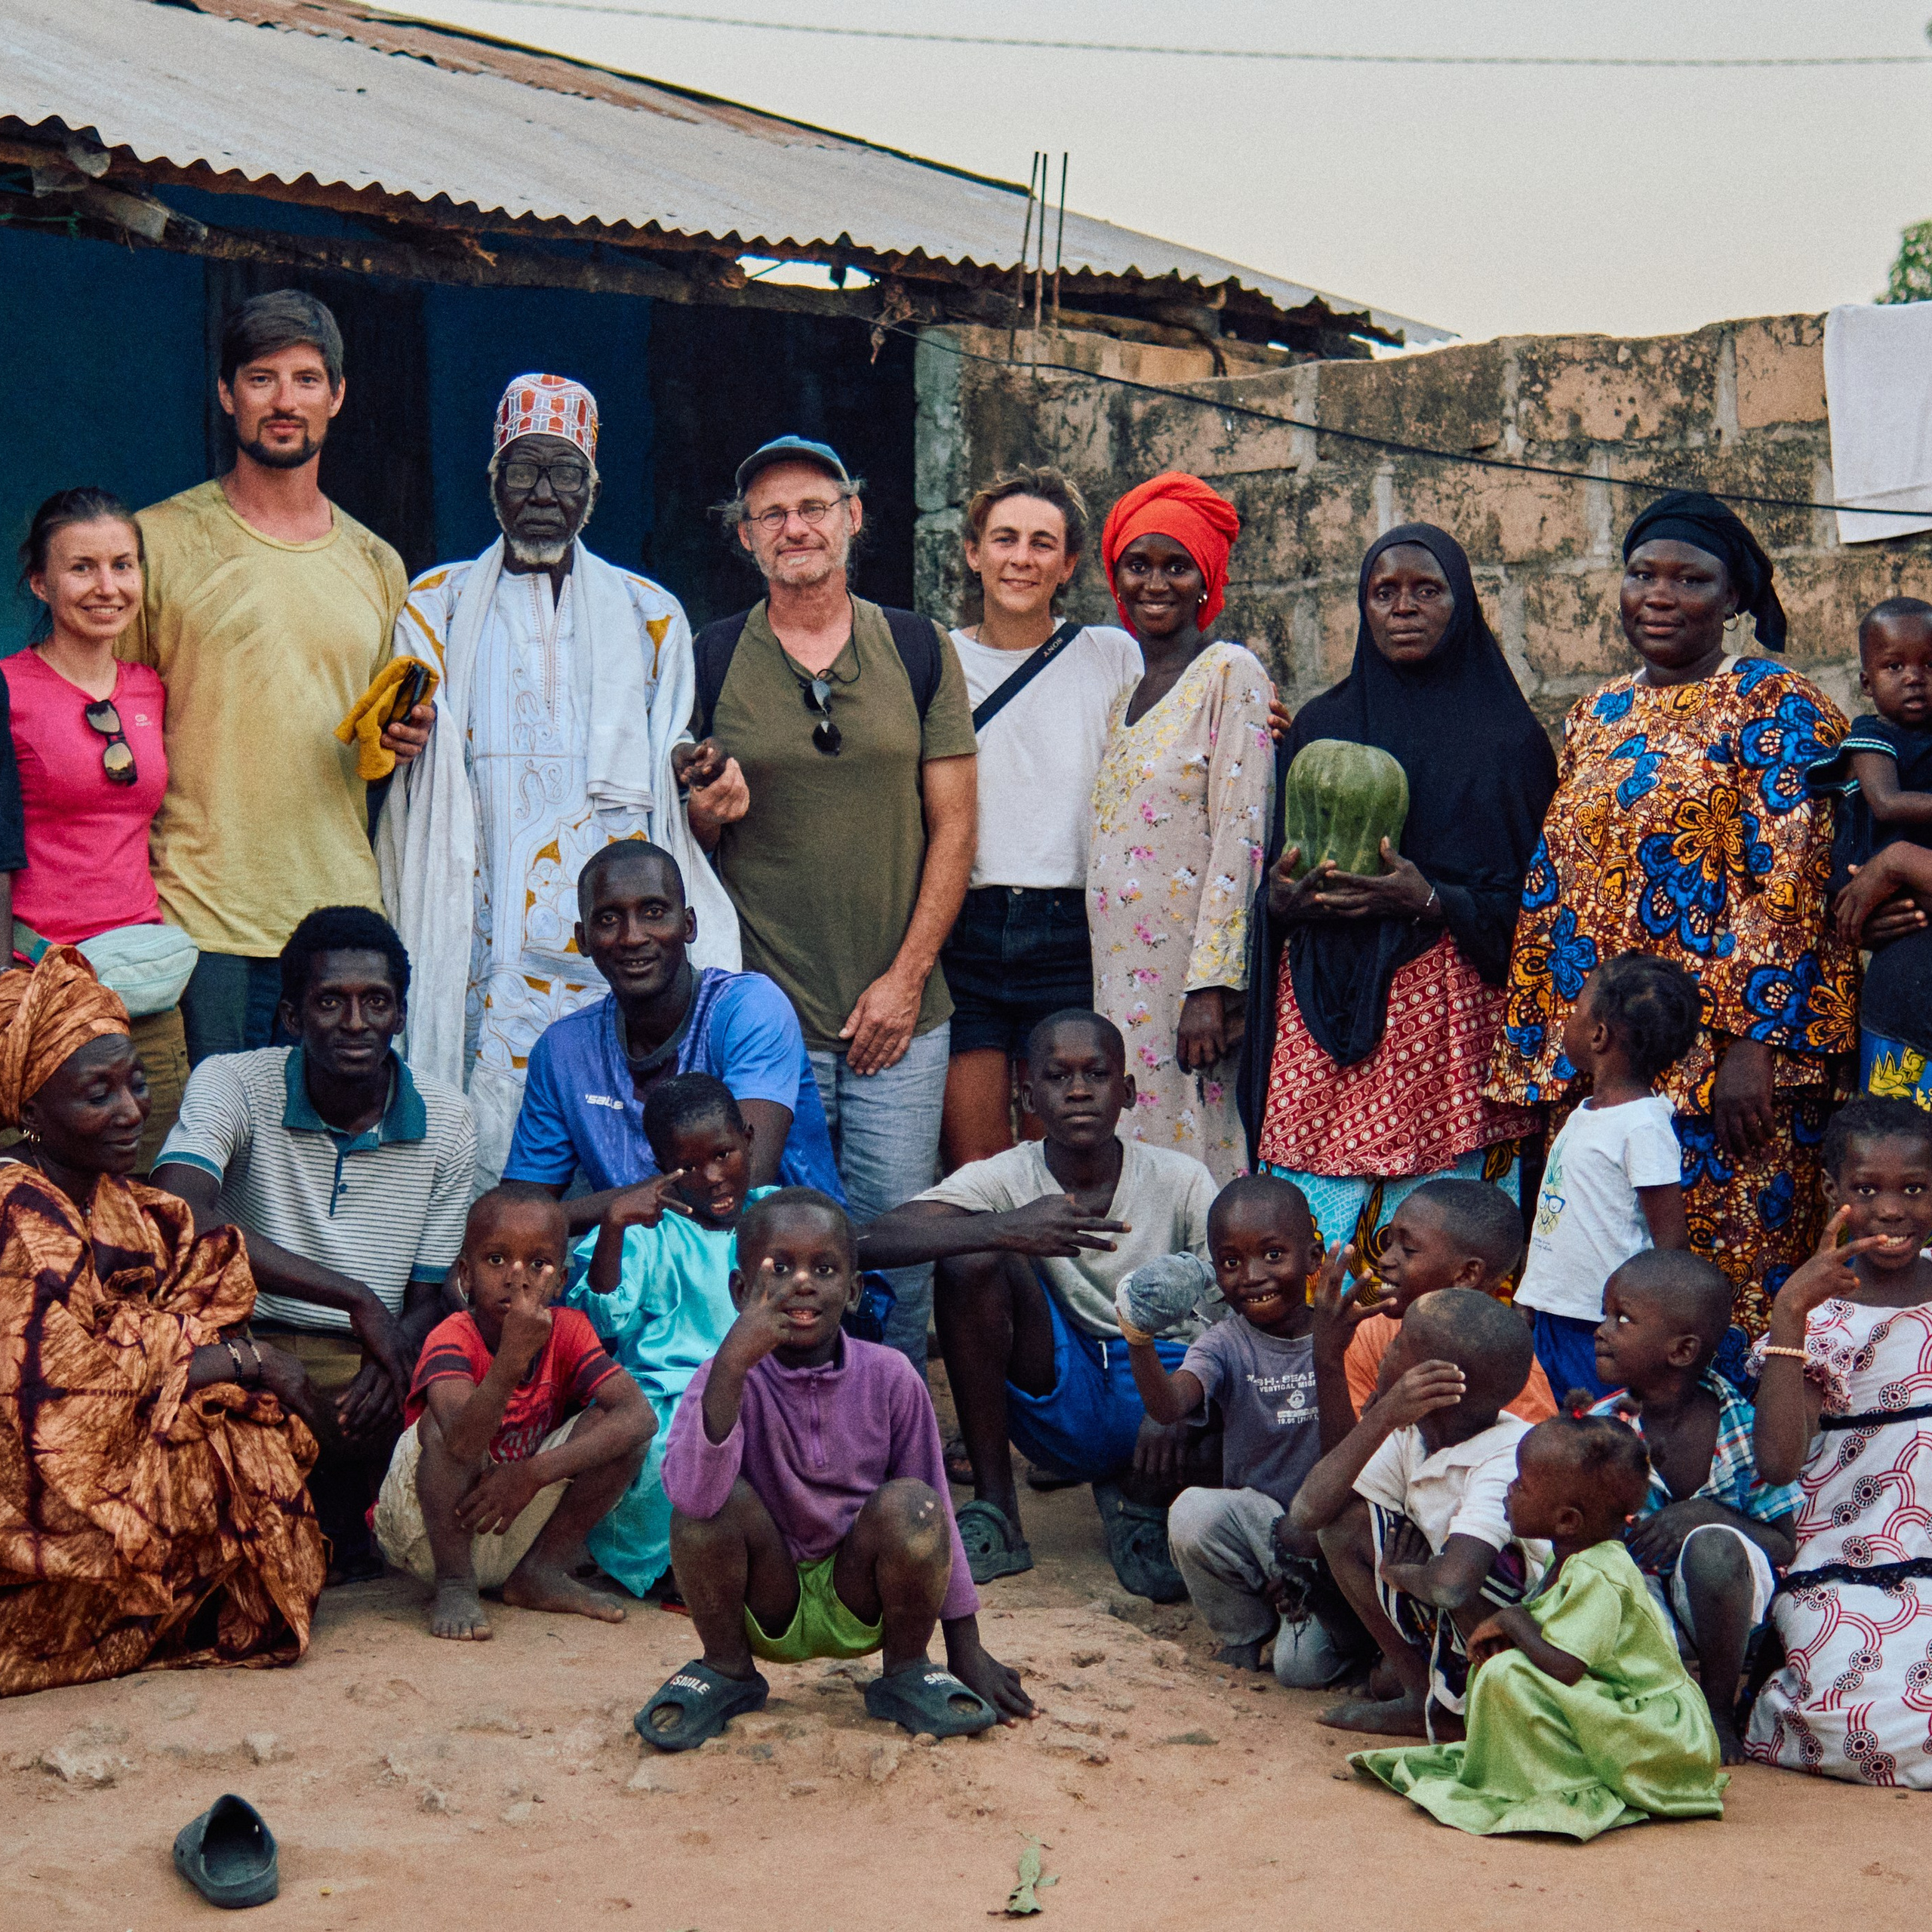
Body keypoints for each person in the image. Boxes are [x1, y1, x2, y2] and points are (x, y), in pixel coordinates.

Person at [1487, 491, 1856, 1338]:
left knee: (1712, 1292)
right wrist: (1555, 1056)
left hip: (1722, 1078)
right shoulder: (1596, 712)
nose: (1659, 594)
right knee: (1607, 1306)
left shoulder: (1777, 705)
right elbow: (1559, 891)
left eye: (1690, 578)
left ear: (1733, 598)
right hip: (1607, 1075)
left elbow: (1791, 884)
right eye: (1642, 573)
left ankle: (1726, 1460)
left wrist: (1750, 1042)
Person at [378, 374, 743, 1188]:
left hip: (608, 916)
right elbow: (409, 740)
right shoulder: (434, 604)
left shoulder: (651, 611)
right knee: (475, 1096)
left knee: (616, 1094)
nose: (543, 491)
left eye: (564, 471)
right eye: (524, 468)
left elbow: (669, 750)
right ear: (492, 482)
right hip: (478, 899)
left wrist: (687, 767)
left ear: (594, 488)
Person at [699, 436, 977, 1371]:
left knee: (893, 1242)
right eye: (772, 514)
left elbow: (955, 826)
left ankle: (886, 1435)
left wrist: (906, 980)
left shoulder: (916, 646)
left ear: (853, 516)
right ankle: (783, 1437)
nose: (795, 527)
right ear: (746, 538)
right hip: (763, 1015)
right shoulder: (709, 658)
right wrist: (703, 816)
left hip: (900, 1010)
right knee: (777, 1242)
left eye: (814, 505)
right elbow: (683, 843)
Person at [0, 946, 326, 1696]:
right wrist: (242, 1361)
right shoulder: (19, 1206)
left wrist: (196, 1356)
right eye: (97, 1093)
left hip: (128, 1414)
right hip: (37, 1464)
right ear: (31, 1112)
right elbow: (66, 1393)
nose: (130, 1110)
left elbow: (204, 1274)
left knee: (246, 1434)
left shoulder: (118, 1197)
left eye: (136, 1082)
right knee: (227, 1438)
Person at [120, 291, 429, 1064]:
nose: (285, 400)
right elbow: (109, 721)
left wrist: (403, 734)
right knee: (201, 1158)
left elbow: (378, 737)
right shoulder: (157, 541)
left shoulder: (377, 563)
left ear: (338, 395)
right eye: (261, 379)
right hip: (197, 913)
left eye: (306, 379)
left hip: (339, 918)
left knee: (323, 1161)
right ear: (227, 394)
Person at [1242, 523, 1555, 1261]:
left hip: (1444, 1026)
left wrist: (1431, 899)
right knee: (1316, 1237)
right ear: (1363, 606)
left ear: (1462, 603)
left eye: (1426, 590)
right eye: (1384, 592)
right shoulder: (1319, 726)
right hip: (1321, 1020)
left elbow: (1541, 910)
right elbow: (1273, 873)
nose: (1404, 608)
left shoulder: (1506, 742)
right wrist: (1280, 903)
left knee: (1444, 1245)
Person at [636, 1189, 1032, 1748]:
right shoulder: (721, 1378)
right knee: (707, 1509)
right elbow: (695, 1501)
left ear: (853, 1290)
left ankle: (908, 1671)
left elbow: (936, 1511)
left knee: (911, 1505)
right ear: (742, 1291)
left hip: (862, 1595)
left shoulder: (893, 1377)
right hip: (764, 1599)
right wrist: (730, 1365)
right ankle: (726, 1669)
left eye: (824, 1268)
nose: (802, 1282)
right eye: (781, 1268)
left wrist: (965, 1647)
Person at [153, 906, 475, 1580]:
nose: (355, 1023)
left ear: (401, 1015)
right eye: (330, 1002)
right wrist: (352, 1295)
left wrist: (391, 1369)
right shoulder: (232, 1082)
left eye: (375, 1002)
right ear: (293, 1016)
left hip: (369, 1353)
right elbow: (177, 1207)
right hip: (243, 1338)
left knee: (450, 1415)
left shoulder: (447, 1120)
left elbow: (428, 1294)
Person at [860, 1009, 1216, 1591]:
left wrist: (1185, 1399)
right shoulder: (1009, 1174)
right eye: (1057, 1077)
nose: (1078, 1090)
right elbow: (871, 1242)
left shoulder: (1182, 1180)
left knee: (1258, 1398)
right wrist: (1006, 1229)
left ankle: (1141, 1505)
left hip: (1162, 1401)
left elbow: (1233, 1312)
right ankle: (997, 1511)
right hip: (1060, 1394)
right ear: (1028, 1095)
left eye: (1096, 1074)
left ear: (1125, 1092)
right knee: (970, 1258)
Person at [1350, 1414, 1725, 1839]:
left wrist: (1511, 1620)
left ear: (1567, 1520)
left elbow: (1566, 1668)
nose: (1508, 1490)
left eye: (1521, 1485)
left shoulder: (1598, 1573)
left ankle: (1564, 1778)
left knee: (1507, 1674)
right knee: (1502, 1671)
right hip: (1621, 1709)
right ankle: (1545, 1765)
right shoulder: (1566, 1557)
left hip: (1659, 1736)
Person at [939, 468, 1141, 1165]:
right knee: (978, 1171)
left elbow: (1179, 723)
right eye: (1004, 539)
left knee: (1061, 1161)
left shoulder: (1111, 655)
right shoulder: (935, 660)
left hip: (1072, 933)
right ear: (973, 553)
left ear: (1069, 564)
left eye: (1041, 543)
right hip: (965, 930)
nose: (1021, 557)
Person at [1088, 472, 1273, 1186]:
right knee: (1135, 1143)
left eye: (1176, 566)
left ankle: (1211, 1296)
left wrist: (1213, 988)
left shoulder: (1231, 673)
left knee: (1196, 1146)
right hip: (1119, 978)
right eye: (1139, 565)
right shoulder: (1123, 695)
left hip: (1187, 986)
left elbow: (1240, 834)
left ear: (1207, 580)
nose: (1155, 583)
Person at [503, 841, 838, 1226]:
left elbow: (737, 1185)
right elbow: (515, 1219)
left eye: (654, 912)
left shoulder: (749, 1008)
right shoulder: (563, 1050)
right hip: (644, 1277)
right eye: (609, 919)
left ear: (688, 924)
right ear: (583, 938)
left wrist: (577, 1216)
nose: (632, 936)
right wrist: (537, 1222)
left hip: (785, 1268)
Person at [372, 1185, 653, 1641]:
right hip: (427, 1529)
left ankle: (540, 1572)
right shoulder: (452, 1336)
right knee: (439, 1430)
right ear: (466, 1273)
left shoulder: (570, 1330)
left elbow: (641, 1418)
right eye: (496, 1260)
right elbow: (461, 1443)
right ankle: (455, 1585)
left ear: (561, 1281)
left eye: (538, 1264)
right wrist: (510, 1361)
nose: (516, 1278)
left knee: (618, 1428)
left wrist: (533, 1473)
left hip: (511, 1512)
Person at [1747, 1096, 1932, 1785]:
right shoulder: (1820, 1316)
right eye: (1867, 1190)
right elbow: (1777, 1462)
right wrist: (1791, 1314)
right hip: (1851, 1569)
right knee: (1869, 1719)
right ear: (1832, 1192)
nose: (1892, 1210)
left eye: (1914, 1188)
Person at [1124, 1175, 1361, 1686]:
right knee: (1191, 1513)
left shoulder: (1347, 1329)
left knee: (1302, 1672)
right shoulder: (1224, 1342)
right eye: (1231, 1262)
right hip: (1263, 1532)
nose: (1252, 1276)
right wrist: (1138, 1337)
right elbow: (1169, 1407)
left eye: (1273, 1255)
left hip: (1337, 1532)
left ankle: (1343, 1623)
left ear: (1313, 1258)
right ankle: (1246, 1631)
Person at [10, 488, 185, 1170]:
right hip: (39, 980)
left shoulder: (151, 688)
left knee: (151, 1186)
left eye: (123, 565)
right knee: (35, 1197)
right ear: (40, 583)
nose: (108, 587)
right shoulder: (9, 689)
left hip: (144, 985)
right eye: (82, 568)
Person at [1291, 1286, 1546, 1738]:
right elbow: (1310, 1512)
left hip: (1533, 1635)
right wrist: (1383, 1415)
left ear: (1431, 1380)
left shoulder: (1505, 1458)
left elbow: (1453, 1586)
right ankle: (1422, 1698)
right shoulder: (1413, 1433)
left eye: (1400, 1342)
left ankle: (1488, 1713)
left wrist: (1404, 1573)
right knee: (1342, 1527)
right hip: (1451, 1599)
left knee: (1482, 1565)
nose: (1386, 1348)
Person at [561, 1073, 777, 1596]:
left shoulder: (776, 1215)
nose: (713, 1177)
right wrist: (613, 1227)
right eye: (690, 1166)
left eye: (724, 1154)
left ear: (748, 1139)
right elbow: (600, 1318)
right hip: (671, 1396)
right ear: (662, 1167)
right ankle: (670, 1567)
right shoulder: (647, 1232)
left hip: (766, 1389)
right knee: (668, 1450)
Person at [1586, 1250, 1799, 1764]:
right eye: (1605, 1313)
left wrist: (1707, 1516)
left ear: (1681, 1350)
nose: (1601, 1330)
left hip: (1732, 1620)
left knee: (1714, 1548)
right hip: (1641, 1622)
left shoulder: (1743, 1424)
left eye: (1623, 1318)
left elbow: (1783, 1542)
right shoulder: (1600, 1431)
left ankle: (1717, 1709)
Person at [1514, 952, 1698, 1402]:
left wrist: (1644, 1325)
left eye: (1576, 1011)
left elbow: (1671, 1244)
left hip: (1600, 1328)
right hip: (1555, 1316)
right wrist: (1528, 1297)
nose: (1568, 1022)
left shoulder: (1643, 1126)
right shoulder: (1587, 1114)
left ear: (1598, 1036)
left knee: (1594, 1438)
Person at [1332, 1178, 1556, 1424]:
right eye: (1389, 1242)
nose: (1384, 1259)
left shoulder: (1510, 1373)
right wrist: (1327, 1355)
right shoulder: (1370, 1334)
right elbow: (1344, 1456)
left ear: (1467, 1274)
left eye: (1408, 1249)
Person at [1807, 596, 1932, 884]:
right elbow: (1887, 803)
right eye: (1895, 667)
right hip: (1870, 869)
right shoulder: (1871, 736)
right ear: (1867, 684)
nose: (1914, 677)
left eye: (1930, 664)